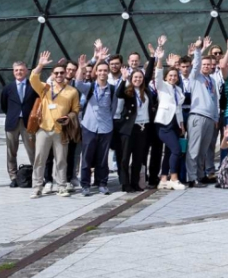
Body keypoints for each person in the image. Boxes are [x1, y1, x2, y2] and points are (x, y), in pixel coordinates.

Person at [27, 51, 79, 199]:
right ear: (53, 74)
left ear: (66, 74)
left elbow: (75, 110)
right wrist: (40, 65)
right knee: (39, 159)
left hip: (61, 130)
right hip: (44, 128)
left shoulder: (72, 91)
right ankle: (37, 187)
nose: (59, 75)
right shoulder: (45, 88)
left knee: (61, 160)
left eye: (62, 73)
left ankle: (62, 187)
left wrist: (69, 117)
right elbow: (33, 78)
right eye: (56, 73)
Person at [74, 58, 116, 196]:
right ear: (96, 72)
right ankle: (85, 185)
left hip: (106, 127)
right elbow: (78, 83)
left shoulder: (112, 89)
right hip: (89, 126)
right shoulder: (90, 87)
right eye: (100, 70)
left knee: (103, 158)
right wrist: (81, 68)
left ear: (108, 72)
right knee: (86, 157)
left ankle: (102, 183)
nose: (103, 73)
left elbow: (114, 108)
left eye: (105, 70)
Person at [184, 38, 221, 186]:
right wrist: (198, 50)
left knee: (203, 150)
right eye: (204, 65)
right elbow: (196, 64)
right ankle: (192, 177)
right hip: (197, 116)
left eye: (208, 65)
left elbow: (215, 99)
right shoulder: (195, 77)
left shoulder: (212, 80)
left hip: (210, 118)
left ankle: (201, 174)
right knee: (194, 149)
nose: (206, 67)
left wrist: (216, 117)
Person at [150, 46, 186, 191]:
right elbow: (158, 74)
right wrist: (159, 58)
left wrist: (182, 124)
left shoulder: (178, 90)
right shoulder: (162, 86)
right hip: (163, 124)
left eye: (175, 76)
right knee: (176, 150)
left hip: (175, 124)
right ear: (166, 77)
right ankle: (174, 178)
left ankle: (163, 178)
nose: (172, 78)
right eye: (170, 75)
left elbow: (178, 109)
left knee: (170, 151)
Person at [0, 62, 36, 188]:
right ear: (13, 72)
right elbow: (4, 105)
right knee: (11, 151)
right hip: (12, 123)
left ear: (26, 71)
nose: (19, 72)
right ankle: (13, 177)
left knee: (32, 150)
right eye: (16, 70)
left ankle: (37, 176)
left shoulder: (33, 86)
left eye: (21, 70)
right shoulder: (8, 88)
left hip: (28, 123)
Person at [115, 68, 152, 192]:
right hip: (129, 128)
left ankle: (135, 182)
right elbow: (118, 93)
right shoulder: (128, 91)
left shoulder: (146, 91)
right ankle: (125, 183)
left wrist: (154, 58)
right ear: (131, 79)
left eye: (140, 78)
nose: (138, 79)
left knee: (139, 157)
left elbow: (149, 74)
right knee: (125, 157)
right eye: (135, 77)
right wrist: (124, 79)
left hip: (143, 127)